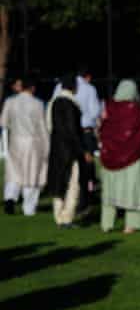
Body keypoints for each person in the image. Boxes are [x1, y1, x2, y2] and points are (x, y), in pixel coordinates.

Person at [98, 80, 140, 233]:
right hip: (133, 158)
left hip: (109, 158)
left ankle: (106, 224)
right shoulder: (137, 111)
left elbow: (102, 131)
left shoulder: (109, 109)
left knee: (110, 191)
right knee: (133, 190)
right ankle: (131, 224)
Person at [0, 75, 49, 216]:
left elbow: (3, 122)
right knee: (31, 175)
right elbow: (42, 128)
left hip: (15, 141)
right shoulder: (38, 104)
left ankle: (10, 197)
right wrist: (47, 149)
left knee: (14, 172)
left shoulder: (10, 102)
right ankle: (29, 208)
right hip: (33, 143)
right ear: (32, 88)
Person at [45, 74, 87, 229]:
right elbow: (72, 130)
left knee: (58, 183)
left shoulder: (53, 103)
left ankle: (58, 216)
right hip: (70, 150)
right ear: (74, 87)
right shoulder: (71, 104)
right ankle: (67, 217)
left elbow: (50, 126)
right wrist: (82, 150)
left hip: (56, 148)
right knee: (72, 184)